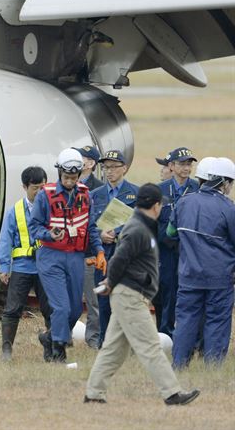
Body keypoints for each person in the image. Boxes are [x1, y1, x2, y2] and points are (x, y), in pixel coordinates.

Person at [84, 183, 200, 406]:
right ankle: (172, 393)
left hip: (129, 294)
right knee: (150, 346)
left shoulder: (139, 226)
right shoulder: (137, 229)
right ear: (156, 206)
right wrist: (110, 282)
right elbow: (119, 259)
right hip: (130, 296)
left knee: (113, 350)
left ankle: (93, 393)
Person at [29, 148, 105, 363]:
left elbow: (90, 227)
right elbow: (33, 226)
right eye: (66, 177)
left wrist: (98, 250)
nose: (70, 181)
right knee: (61, 307)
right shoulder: (46, 195)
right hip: (51, 255)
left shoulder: (85, 195)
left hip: (76, 257)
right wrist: (49, 234)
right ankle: (58, 350)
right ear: (59, 174)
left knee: (73, 310)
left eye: (74, 177)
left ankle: (49, 337)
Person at [168, 157, 235, 368]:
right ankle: (212, 367)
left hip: (188, 276)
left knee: (186, 320)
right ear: (220, 182)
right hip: (220, 278)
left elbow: (170, 233)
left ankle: (179, 365)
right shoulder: (228, 208)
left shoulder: (184, 202)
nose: (231, 187)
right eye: (230, 182)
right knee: (217, 321)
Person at [0, 166, 52, 362]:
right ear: (24, 187)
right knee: (12, 309)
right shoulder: (15, 211)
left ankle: (51, 346)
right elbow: (5, 239)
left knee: (50, 309)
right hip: (22, 268)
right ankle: (6, 348)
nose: (39, 191)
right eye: (35, 187)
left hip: (46, 268)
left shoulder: (52, 208)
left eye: (43, 187)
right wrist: (4, 267)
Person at [89, 150, 139, 347]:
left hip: (126, 256)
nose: (109, 172)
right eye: (106, 167)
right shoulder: (95, 195)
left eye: (113, 167)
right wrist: (100, 235)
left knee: (127, 299)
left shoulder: (136, 193)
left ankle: (128, 343)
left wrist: (118, 232)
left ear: (124, 168)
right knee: (103, 299)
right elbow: (89, 224)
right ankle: (105, 342)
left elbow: (142, 223)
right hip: (103, 255)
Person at [154, 147, 199, 336]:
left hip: (192, 251)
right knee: (167, 292)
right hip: (166, 251)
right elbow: (151, 221)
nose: (186, 168)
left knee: (192, 294)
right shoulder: (160, 190)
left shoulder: (198, 188)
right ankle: (165, 334)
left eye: (189, 164)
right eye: (181, 164)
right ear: (171, 166)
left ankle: (191, 336)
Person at [73, 145, 103, 348]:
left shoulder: (98, 190)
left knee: (93, 300)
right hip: (69, 252)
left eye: (81, 158)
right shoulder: (66, 186)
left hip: (89, 253)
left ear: (90, 164)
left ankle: (93, 338)